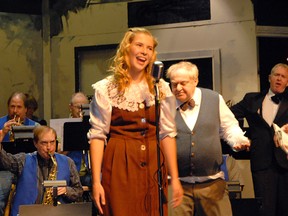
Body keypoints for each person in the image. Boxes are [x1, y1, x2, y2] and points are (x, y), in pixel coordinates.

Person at [87, 27, 183, 216]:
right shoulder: (107, 88)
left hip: (153, 165)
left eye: (149, 48)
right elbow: (98, 136)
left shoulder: (160, 88)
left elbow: (167, 134)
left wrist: (175, 178)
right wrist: (96, 181)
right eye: (139, 45)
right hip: (119, 165)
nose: (144, 51)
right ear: (127, 48)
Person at [166, 61, 250, 216]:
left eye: (183, 83)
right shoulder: (165, 104)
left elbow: (229, 127)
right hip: (176, 185)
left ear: (195, 81)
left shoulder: (214, 98)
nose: (177, 89)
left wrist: (237, 141)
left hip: (212, 183)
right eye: (174, 84)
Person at [230, 63, 288, 216]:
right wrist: (241, 137)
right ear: (269, 78)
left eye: (283, 76)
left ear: (287, 82)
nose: (279, 79)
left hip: (286, 162)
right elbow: (228, 116)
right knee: (265, 210)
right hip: (262, 163)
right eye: (276, 75)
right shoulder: (251, 99)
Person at [0, 125, 83, 216]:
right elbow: (6, 162)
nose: (49, 147)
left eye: (52, 142)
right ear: (35, 143)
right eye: (44, 143)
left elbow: (78, 191)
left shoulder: (68, 162)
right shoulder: (24, 159)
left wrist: (66, 190)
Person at [0, 92, 39, 215]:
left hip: (28, 168)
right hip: (4, 169)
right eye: (12, 106)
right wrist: (2, 134)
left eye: (19, 107)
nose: (15, 111)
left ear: (26, 109)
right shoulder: (0, 123)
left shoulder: (35, 126)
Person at [66, 92, 91, 188]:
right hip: (71, 171)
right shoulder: (63, 125)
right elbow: (58, 153)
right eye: (78, 107)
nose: (81, 110)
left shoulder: (93, 125)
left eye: (84, 107)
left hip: (89, 172)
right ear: (70, 107)